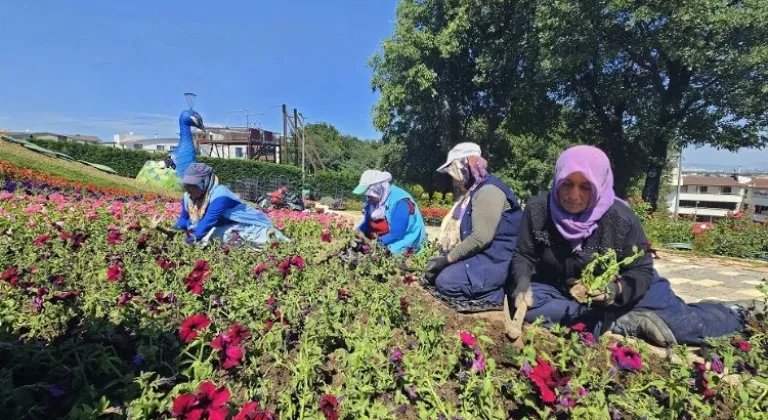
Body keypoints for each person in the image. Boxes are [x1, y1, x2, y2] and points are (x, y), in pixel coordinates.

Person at [508, 145, 745, 346]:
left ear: (598, 185)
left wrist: (614, 291)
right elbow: (524, 255)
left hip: (628, 289)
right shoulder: (539, 210)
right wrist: (522, 283)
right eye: (567, 184)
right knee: (525, 304)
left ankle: (735, 312)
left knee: (684, 329)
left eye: (585, 186)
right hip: (560, 289)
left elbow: (641, 270)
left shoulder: (620, 218)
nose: (574, 195)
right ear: (557, 179)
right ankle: (618, 322)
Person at [423, 143, 522, 311]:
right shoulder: (476, 190)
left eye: (455, 174)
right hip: (484, 257)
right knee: (436, 272)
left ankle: (496, 294)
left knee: (445, 282)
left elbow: (481, 237)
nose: (454, 180)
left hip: (497, 261)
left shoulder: (488, 191)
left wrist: (447, 260)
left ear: (465, 167)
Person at [171, 163, 288, 248]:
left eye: (194, 184)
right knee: (212, 235)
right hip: (221, 226)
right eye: (188, 185)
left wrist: (190, 240)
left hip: (247, 224)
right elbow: (184, 218)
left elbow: (208, 221)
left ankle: (273, 237)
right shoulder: (188, 197)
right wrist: (173, 230)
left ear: (205, 182)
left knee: (225, 235)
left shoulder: (220, 194)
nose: (190, 188)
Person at [353, 170, 427, 255]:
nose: (367, 198)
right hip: (390, 237)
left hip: (408, 241)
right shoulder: (378, 200)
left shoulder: (400, 202)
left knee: (381, 255)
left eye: (370, 195)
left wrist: (374, 244)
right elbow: (366, 224)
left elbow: (396, 233)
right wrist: (355, 235)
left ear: (379, 190)